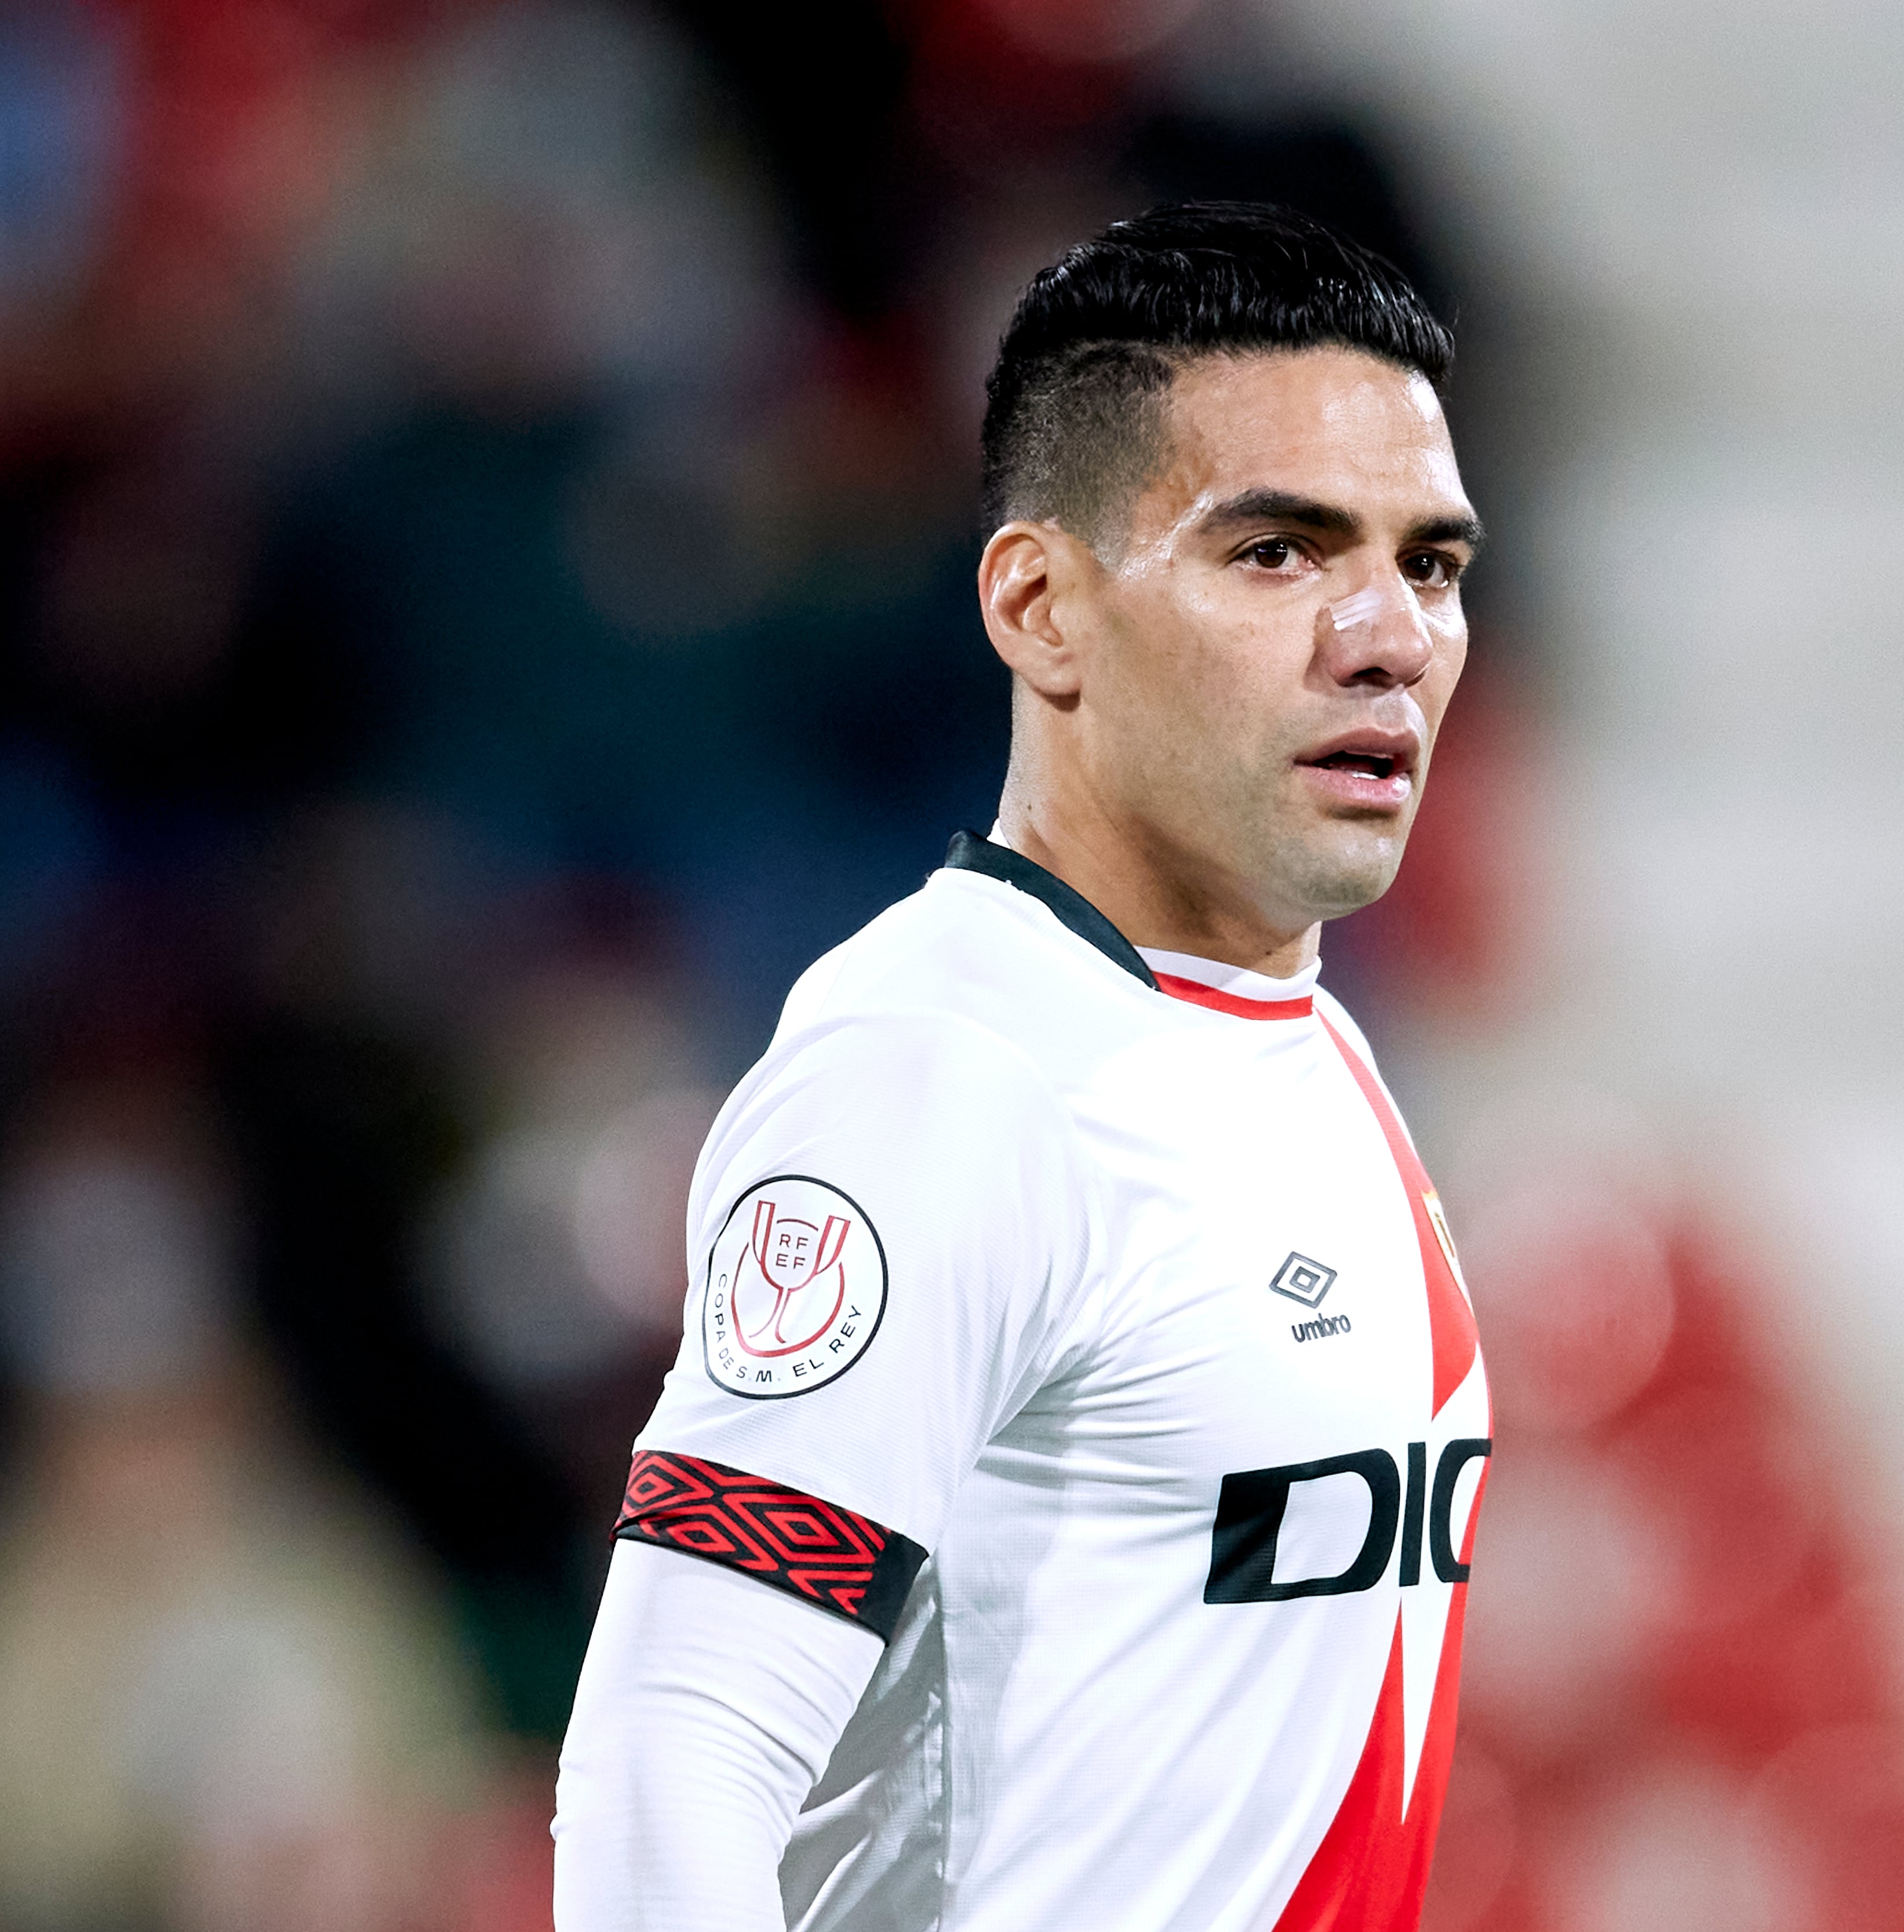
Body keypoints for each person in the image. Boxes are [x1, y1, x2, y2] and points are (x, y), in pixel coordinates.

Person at [552, 202, 1492, 1931]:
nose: (1387, 637)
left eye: (1427, 564)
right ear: (1042, 606)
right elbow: (674, 1755)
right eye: (1279, 552)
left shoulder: (1315, 1048)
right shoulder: (945, 1078)